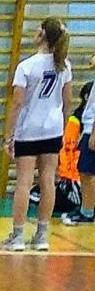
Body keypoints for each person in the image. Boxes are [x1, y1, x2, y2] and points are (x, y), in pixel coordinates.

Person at [3, 18, 74, 251]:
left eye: (37, 29)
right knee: (48, 182)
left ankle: (17, 236)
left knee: (24, 182)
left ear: (43, 35)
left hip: (29, 129)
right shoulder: (64, 65)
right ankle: (42, 235)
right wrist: (62, 129)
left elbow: (17, 103)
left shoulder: (27, 66)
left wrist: (8, 135)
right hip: (52, 128)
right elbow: (67, 103)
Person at [64, 64, 95, 226]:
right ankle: (86, 207)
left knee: (87, 172)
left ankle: (88, 211)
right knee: (85, 171)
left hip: (93, 130)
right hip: (89, 128)